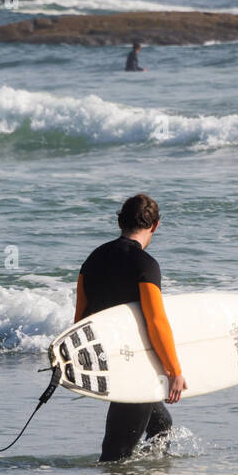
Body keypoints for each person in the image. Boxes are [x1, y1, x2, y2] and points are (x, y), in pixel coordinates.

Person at [75, 194, 187, 461]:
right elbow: (155, 320)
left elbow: (80, 321)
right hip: (133, 362)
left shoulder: (93, 259)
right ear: (155, 226)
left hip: (105, 359)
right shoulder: (144, 264)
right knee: (116, 454)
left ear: (120, 222)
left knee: (161, 427)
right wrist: (174, 371)